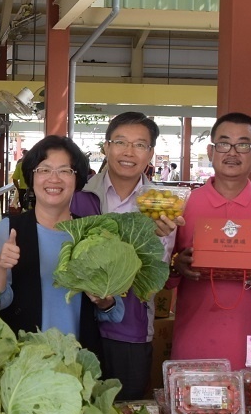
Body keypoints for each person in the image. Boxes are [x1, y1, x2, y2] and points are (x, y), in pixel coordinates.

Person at [67, 113, 177, 399]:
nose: (129, 152)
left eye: (140, 145)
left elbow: (155, 277)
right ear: (106, 147)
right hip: (74, 326)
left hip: (130, 329)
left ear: (151, 153)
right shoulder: (77, 197)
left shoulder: (162, 206)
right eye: (120, 142)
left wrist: (152, 239)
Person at [0, 136, 124, 348]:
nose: (54, 179)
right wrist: (1, 267)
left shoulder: (91, 233)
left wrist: (104, 300)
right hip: (23, 360)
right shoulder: (10, 230)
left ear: (77, 180)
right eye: (44, 170)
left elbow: (114, 312)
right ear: (31, 176)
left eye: (65, 171)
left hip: (79, 361)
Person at [168, 113, 251, 369]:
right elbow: (163, 278)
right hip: (194, 343)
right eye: (223, 144)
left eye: (243, 145)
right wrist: (177, 264)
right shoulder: (183, 205)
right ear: (211, 151)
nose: (232, 152)